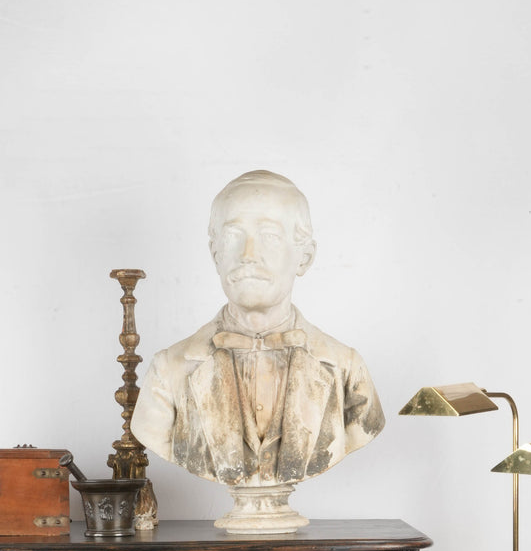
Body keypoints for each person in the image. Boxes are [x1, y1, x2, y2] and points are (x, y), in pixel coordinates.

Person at [131, 170, 384, 488]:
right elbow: (153, 431)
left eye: (270, 236)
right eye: (234, 237)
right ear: (216, 255)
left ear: (304, 258)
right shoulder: (168, 373)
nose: (248, 255)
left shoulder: (347, 370)